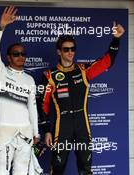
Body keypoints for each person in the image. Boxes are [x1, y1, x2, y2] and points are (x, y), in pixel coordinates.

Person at [39, 22, 125, 175]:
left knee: (86, 166)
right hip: (62, 124)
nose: (70, 52)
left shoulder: (84, 70)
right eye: (66, 49)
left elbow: (107, 62)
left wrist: (116, 39)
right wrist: (46, 131)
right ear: (59, 52)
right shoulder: (49, 75)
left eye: (73, 49)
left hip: (82, 123)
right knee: (57, 167)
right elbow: (44, 105)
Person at [0, 6, 42, 175]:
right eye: (16, 54)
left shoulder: (29, 79)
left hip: (25, 132)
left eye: (23, 54)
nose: (21, 57)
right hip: (5, 131)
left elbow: (32, 108)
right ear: (8, 57)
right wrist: (1, 27)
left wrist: (36, 132)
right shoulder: (0, 73)